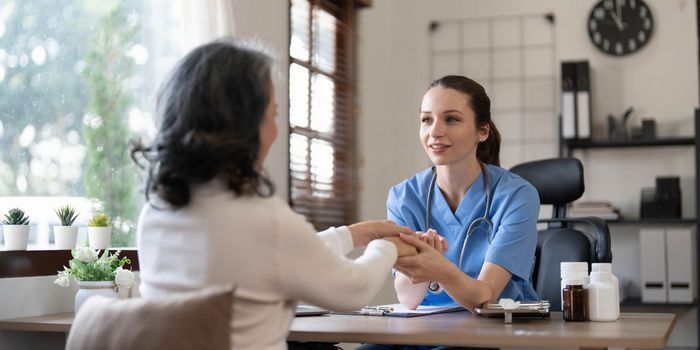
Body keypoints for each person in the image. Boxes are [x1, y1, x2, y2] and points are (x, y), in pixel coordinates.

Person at [131, 39, 417, 350]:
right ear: (243, 127)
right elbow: (353, 289)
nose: (275, 132)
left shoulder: (156, 212)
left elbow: (259, 256)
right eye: (272, 116)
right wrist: (387, 248)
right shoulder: (262, 219)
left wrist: (352, 235)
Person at [388, 75, 540, 312]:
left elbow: (484, 298)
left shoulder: (517, 196)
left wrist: (437, 267)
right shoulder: (403, 197)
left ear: (483, 131)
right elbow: (408, 298)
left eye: (451, 119)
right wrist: (423, 267)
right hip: (423, 328)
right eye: (426, 120)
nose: (435, 131)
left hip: (490, 332)